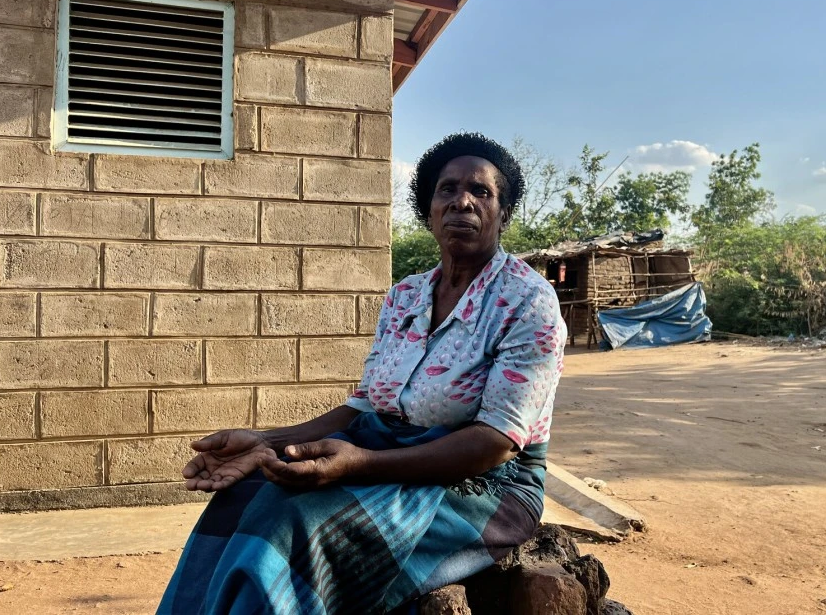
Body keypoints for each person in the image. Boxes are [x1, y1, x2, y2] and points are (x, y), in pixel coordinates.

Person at [158, 132, 566, 614]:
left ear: (503, 211)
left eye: (482, 192)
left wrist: (360, 465)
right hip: (385, 448)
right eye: (447, 189)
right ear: (428, 209)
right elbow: (365, 407)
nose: (462, 201)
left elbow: (495, 442)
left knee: (293, 519)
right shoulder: (405, 297)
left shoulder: (528, 301)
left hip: (485, 484)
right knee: (244, 497)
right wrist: (267, 442)